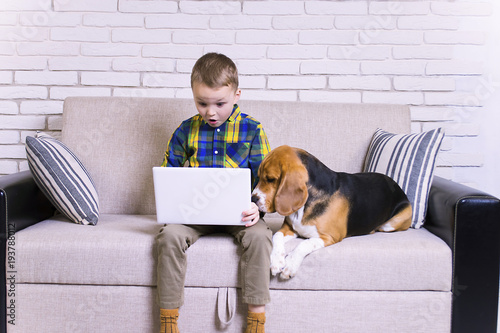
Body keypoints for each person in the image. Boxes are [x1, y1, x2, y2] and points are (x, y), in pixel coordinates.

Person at [155, 52, 272, 333]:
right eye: (202, 103)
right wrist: (172, 202)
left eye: (219, 103)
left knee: (260, 238)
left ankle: (256, 323)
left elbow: (266, 181)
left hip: (240, 213)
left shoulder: (253, 130)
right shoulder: (186, 130)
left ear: (236, 95)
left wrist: (259, 208)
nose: (210, 112)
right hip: (195, 212)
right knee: (169, 236)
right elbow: (167, 172)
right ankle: (169, 323)